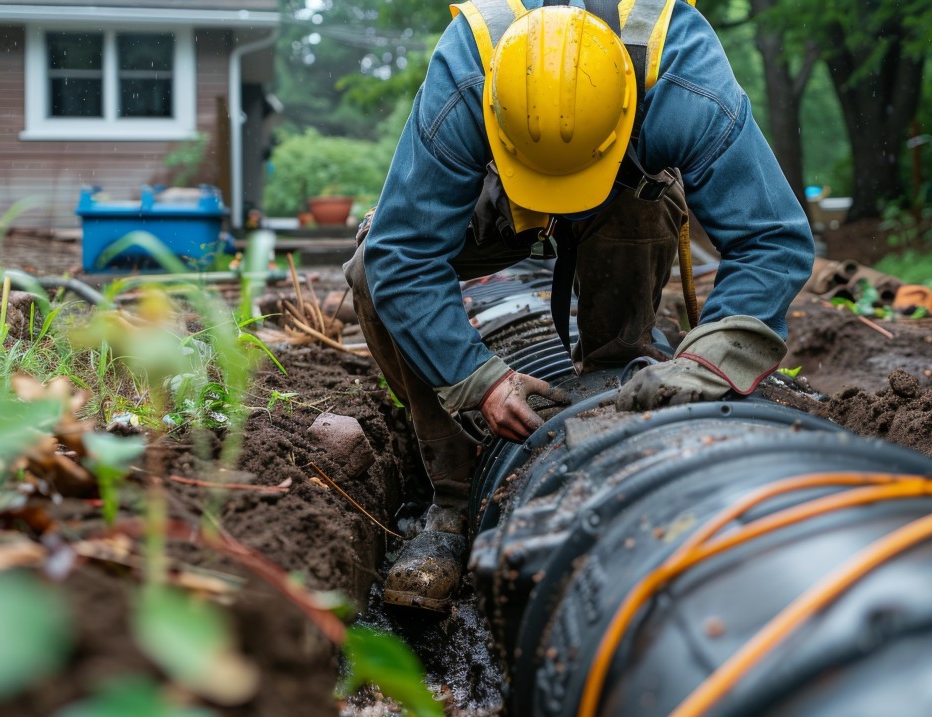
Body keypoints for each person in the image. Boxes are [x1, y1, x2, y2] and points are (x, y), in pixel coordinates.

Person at [344, 0, 813, 611]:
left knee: (645, 203)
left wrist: (712, 361)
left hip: (625, 185)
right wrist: (477, 379)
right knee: (371, 268)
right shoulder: (468, 71)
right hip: (499, 184)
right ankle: (453, 496)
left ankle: (621, 380)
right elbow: (403, 253)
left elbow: (771, 237)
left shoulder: (681, 79)